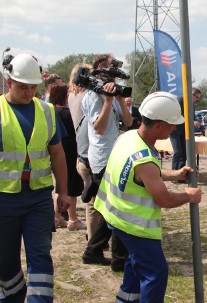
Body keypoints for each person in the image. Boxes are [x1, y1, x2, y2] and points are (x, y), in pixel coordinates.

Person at [0, 53, 75, 303]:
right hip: (1, 199)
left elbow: (57, 155)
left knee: (40, 254)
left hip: (38, 197)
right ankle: (13, 302)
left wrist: (62, 191)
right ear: (9, 81)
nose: (28, 92)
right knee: (4, 257)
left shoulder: (47, 112)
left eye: (33, 87)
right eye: (23, 86)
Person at [95, 91, 202, 303]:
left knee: (136, 262)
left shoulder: (130, 138)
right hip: (135, 223)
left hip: (115, 214)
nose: (174, 128)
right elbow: (163, 198)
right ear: (157, 125)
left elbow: (145, 173)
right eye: (171, 124)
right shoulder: (144, 159)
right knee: (156, 271)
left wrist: (174, 175)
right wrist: (188, 196)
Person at [80, 54, 132, 271]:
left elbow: (128, 123)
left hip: (115, 156)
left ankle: (93, 251)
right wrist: (108, 100)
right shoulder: (91, 96)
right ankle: (117, 259)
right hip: (101, 159)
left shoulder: (113, 95)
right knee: (116, 208)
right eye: (110, 68)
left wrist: (119, 99)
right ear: (100, 70)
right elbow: (99, 128)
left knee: (112, 208)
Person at [48, 84, 86, 231]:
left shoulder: (49, 111)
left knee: (59, 185)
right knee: (71, 186)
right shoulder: (66, 113)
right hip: (69, 150)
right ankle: (72, 219)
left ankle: (56, 217)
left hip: (54, 150)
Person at [170, 88, 201, 170]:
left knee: (184, 152)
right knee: (177, 151)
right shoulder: (179, 100)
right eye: (197, 97)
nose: (197, 100)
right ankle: (174, 172)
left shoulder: (193, 104)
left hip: (185, 130)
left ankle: (181, 172)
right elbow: (179, 115)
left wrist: (200, 126)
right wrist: (192, 121)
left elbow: (193, 117)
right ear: (191, 95)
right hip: (175, 130)